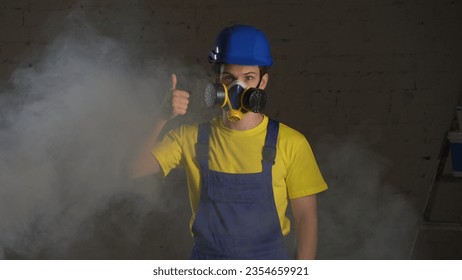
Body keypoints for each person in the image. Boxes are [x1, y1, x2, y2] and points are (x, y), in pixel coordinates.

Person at [130, 25, 328, 260]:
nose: (238, 87)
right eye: (229, 78)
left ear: (262, 83)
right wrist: (162, 117)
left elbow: (306, 217)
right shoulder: (190, 138)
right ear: (216, 81)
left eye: (249, 78)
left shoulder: (291, 143)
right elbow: (132, 169)